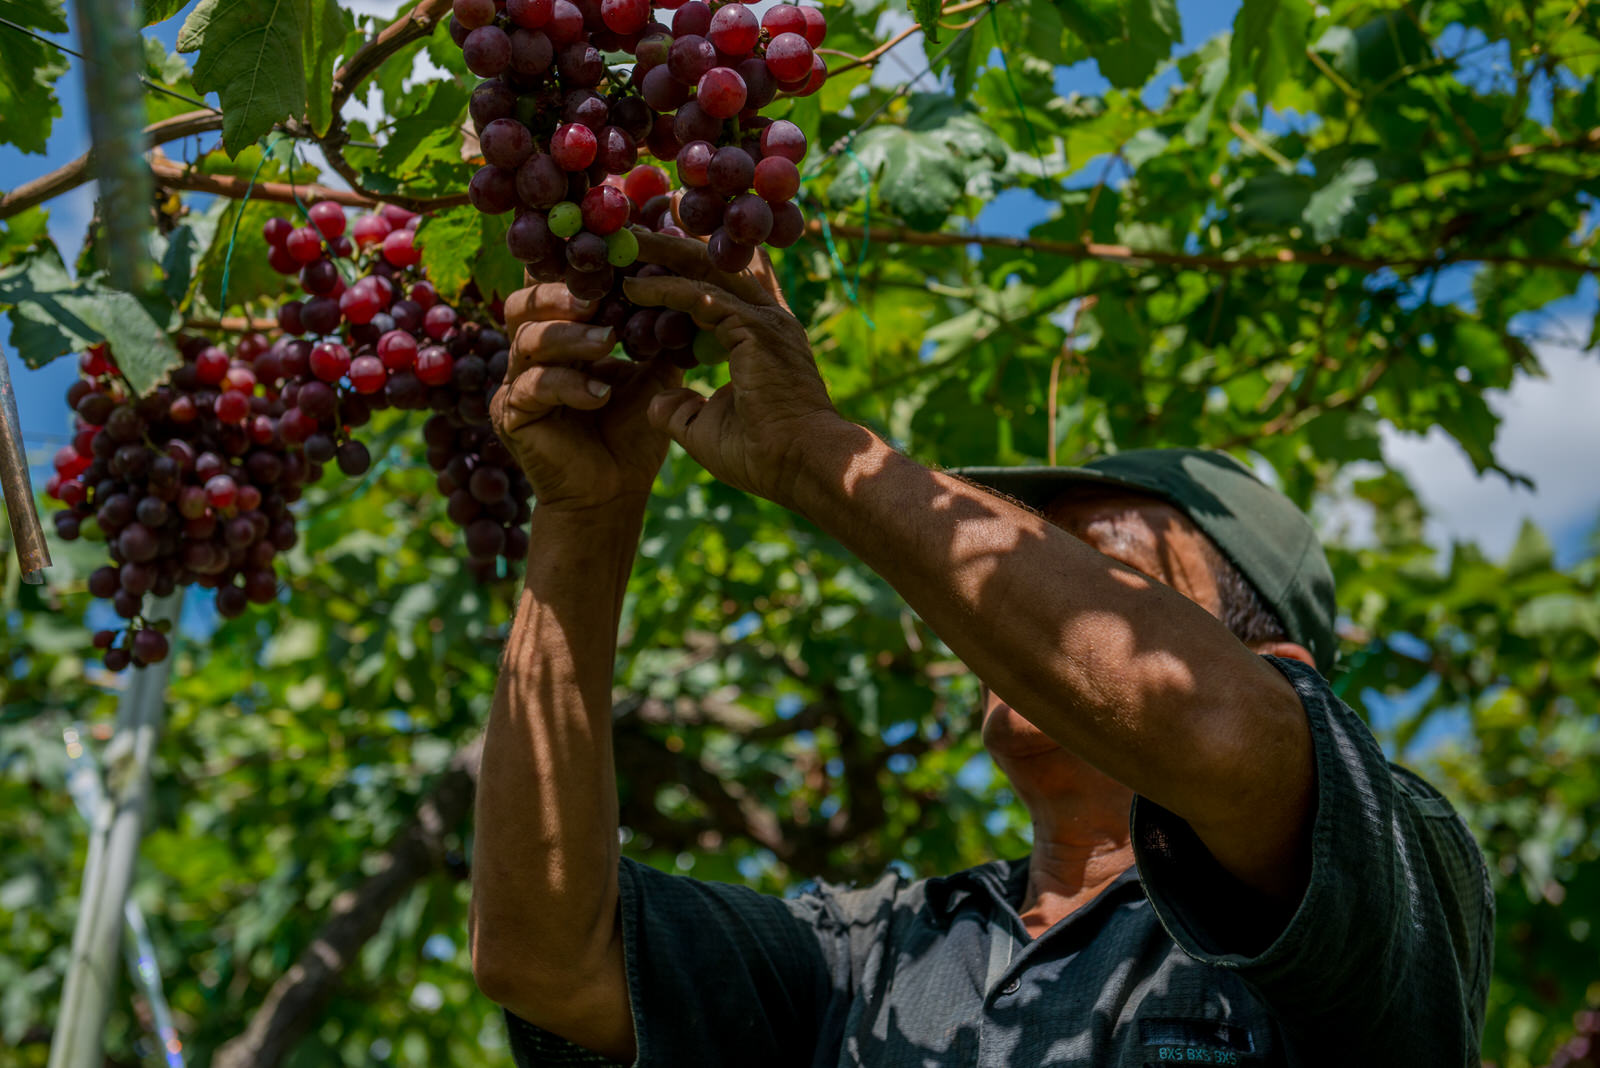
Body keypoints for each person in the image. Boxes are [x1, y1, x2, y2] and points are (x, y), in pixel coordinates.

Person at [468, 231, 1493, 1067]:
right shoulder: (867, 953)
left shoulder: (1389, 879)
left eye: (1099, 565)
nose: (1005, 593)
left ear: (1281, 670)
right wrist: (585, 521)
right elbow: (548, 961)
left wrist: (822, 451)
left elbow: (1228, 734)